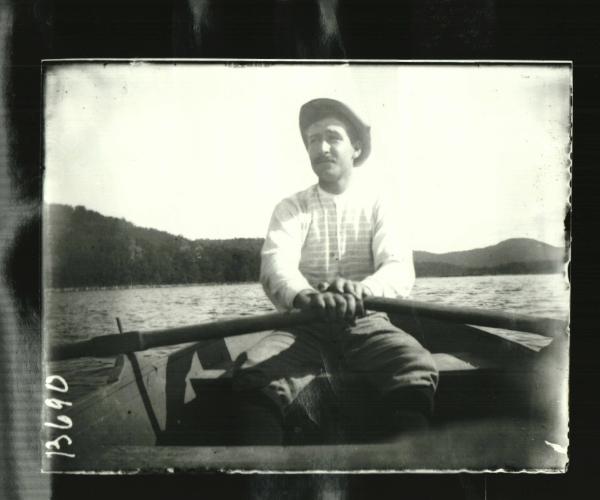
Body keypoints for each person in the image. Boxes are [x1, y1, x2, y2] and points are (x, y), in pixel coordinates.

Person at [232, 97, 438, 444]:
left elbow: (399, 267)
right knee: (254, 370)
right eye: (313, 140)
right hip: (303, 325)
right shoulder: (290, 207)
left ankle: (407, 477)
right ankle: (259, 478)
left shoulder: (379, 203)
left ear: (356, 147)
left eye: (332, 137)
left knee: (414, 364)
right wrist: (306, 296)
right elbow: (275, 265)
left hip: (367, 321)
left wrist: (362, 292)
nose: (321, 147)